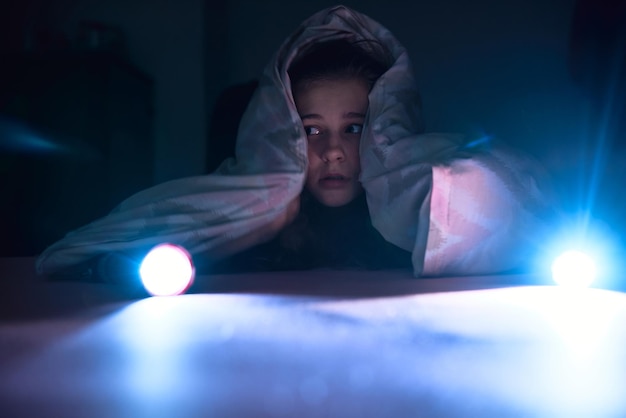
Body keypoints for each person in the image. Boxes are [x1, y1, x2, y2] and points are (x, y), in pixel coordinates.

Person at [36, 5, 553, 278]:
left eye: (354, 129)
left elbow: (531, 210)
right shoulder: (246, 205)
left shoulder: (416, 204)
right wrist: (259, 221)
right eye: (310, 130)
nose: (332, 151)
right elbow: (94, 252)